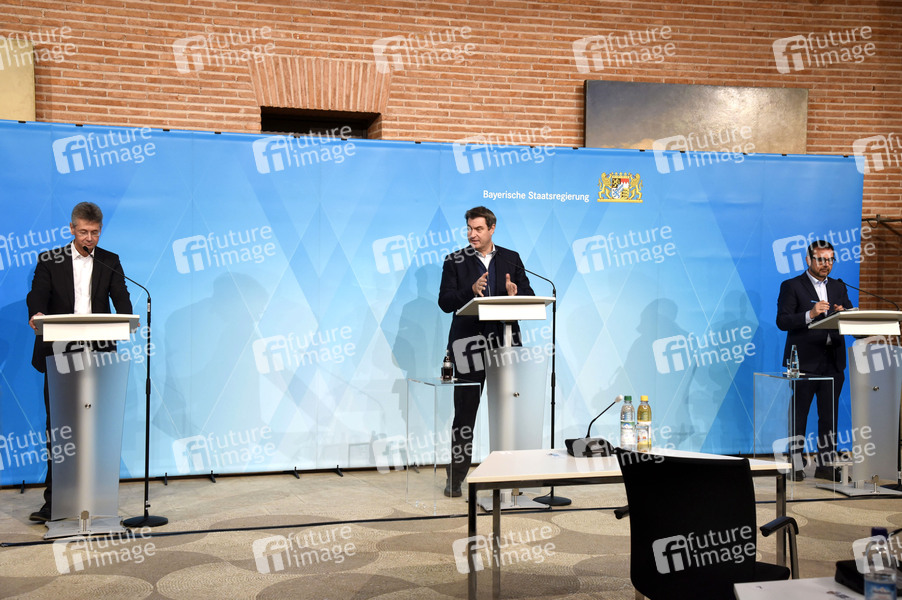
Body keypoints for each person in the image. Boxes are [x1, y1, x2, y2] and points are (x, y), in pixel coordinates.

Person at [25, 202, 132, 522]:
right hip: (60, 350)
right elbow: (37, 293)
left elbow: (122, 297)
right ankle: (54, 502)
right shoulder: (50, 259)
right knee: (59, 427)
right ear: (72, 229)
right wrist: (37, 312)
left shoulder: (110, 260)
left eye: (95, 233)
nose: (89, 238)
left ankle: (96, 498)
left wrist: (127, 317)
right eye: (83, 232)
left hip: (98, 350)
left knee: (97, 426)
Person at [438, 206, 533, 497]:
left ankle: (511, 477)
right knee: (465, 414)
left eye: (478, 229)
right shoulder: (455, 260)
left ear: (492, 228)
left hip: (504, 341)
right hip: (468, 345)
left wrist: (516, 293)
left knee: (509, 411)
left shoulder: (511, 258)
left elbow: (529, 295)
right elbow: (445, 302)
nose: (472, 234)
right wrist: (470, 290)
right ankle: (455, 478)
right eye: (469, 228)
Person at [776, 240, 852, 482]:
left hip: (833, 361)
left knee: (829, 417)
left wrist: (844, 313)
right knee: (799, 415)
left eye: (830, 259)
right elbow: (783, 321)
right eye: (821, 259)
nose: (826, 264)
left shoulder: (839, 286)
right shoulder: (792, 286)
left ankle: (826, 465)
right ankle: (795, 464)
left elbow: (850, 316)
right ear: (809, 260)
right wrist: (810, 314)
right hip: (804, 362)